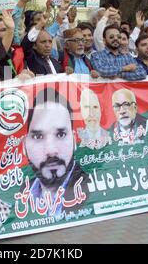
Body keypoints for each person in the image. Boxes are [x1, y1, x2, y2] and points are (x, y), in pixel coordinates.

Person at [22, 88, 89, 217]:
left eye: (60, 134)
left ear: (75, 140)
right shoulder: (17, 196)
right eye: (38, 137)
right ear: (24, 146)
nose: (51, 151)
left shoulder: (94, 189)